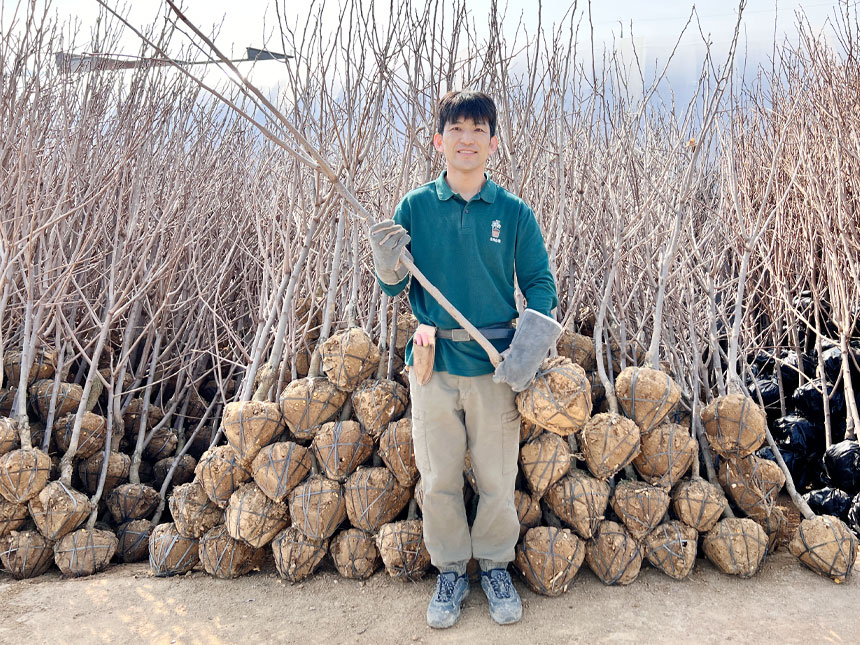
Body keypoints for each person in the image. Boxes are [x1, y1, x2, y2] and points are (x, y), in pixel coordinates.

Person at [368, 90, 560, 629]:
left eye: (478, 130)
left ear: (493, 142)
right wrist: (385, 260)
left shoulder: (513, 212)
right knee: (438, 477)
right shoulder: (416, 207)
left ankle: (496, 566)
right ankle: (450, 570)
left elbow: (541, 284)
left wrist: (529, 344)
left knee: (498, 477)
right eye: (456, 130)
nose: (467, 139)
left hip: (493, 365)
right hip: (432, 362)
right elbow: (393, 287)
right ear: (439, 141)